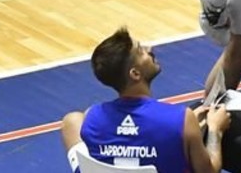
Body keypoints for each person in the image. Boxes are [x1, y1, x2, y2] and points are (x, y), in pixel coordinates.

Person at [60, 27, 231, 173]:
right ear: (135, 74)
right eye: (141, 51)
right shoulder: (182, 118)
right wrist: (216, 129)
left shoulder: (93, 117)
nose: (150, 48)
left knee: (72, 120)